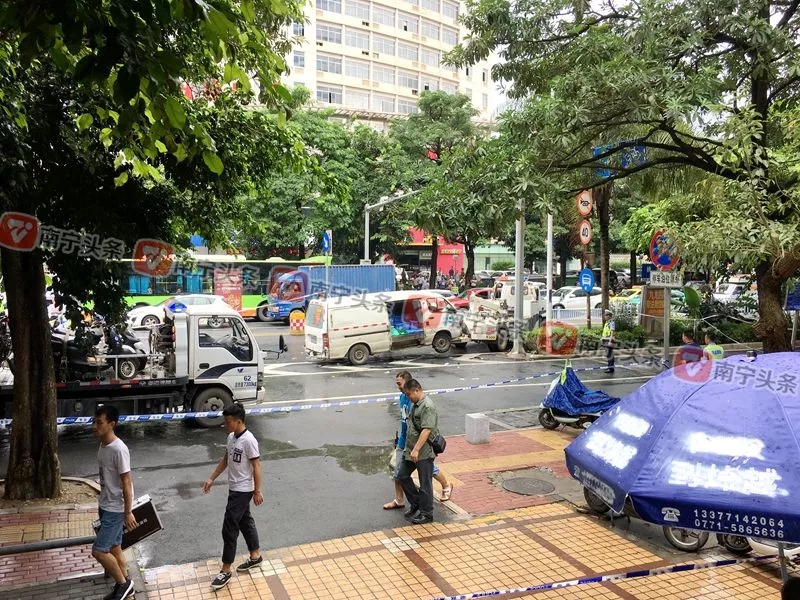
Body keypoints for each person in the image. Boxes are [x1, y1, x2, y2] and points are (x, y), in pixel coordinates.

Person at [202, 403, 264, 591]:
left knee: (229, 528)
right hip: (234, 488)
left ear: (239, 421)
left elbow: (257, 466)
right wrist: (212, 477)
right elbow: (226, 459)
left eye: (228, 422)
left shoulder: (249, 440)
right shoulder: (231, 437)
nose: (225, 424)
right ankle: (255, 556)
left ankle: (226, 569)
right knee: (245, 521)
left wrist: (257, 490)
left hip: (243, 490)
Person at [383, 371, 451, 511]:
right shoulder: (406, 398)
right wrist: (402, 441)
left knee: (427, 475)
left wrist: (416, 449)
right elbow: (406, 422)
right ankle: (405, 501)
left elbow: (426, 429)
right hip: (406, 443)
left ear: (412, 387)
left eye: (399, 383)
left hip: (421, 448)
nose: (398, 387)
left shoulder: (422, 403)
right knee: (400, 473)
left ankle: (432, 502)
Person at [91, 405, 136, 600]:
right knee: (114, 548)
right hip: (105, 505)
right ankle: (126, 583)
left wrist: (128, 512)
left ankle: (124, 584)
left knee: (99, 551)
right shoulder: (103, 445)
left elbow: (127, 481)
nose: (95, 426)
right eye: (94, 422)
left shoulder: (119, 449)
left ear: (112, 424)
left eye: (99, 423)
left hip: (115, 510)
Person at [397, 379, 440, 524]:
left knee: (425, 483)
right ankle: (416, 503)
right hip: (410, 450)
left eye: (409, 394)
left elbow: (426, 430)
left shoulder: (427, 406)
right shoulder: (415, 404)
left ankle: (427, 514)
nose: (408, 397)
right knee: (402, 475)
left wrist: (416, 449)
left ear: (417, 390)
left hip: (423, 452)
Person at [601, 309, 616, 374]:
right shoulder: (607, 323)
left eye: (606, 315)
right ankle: (610, 367)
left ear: (609, 316)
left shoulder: (611, 323)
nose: (605, 316)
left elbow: (612, 332)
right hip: (605, 340)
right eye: (605, 315)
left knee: (609, 355)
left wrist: (610, 341)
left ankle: (611, 368)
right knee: (608, 354)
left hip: (609, 340)